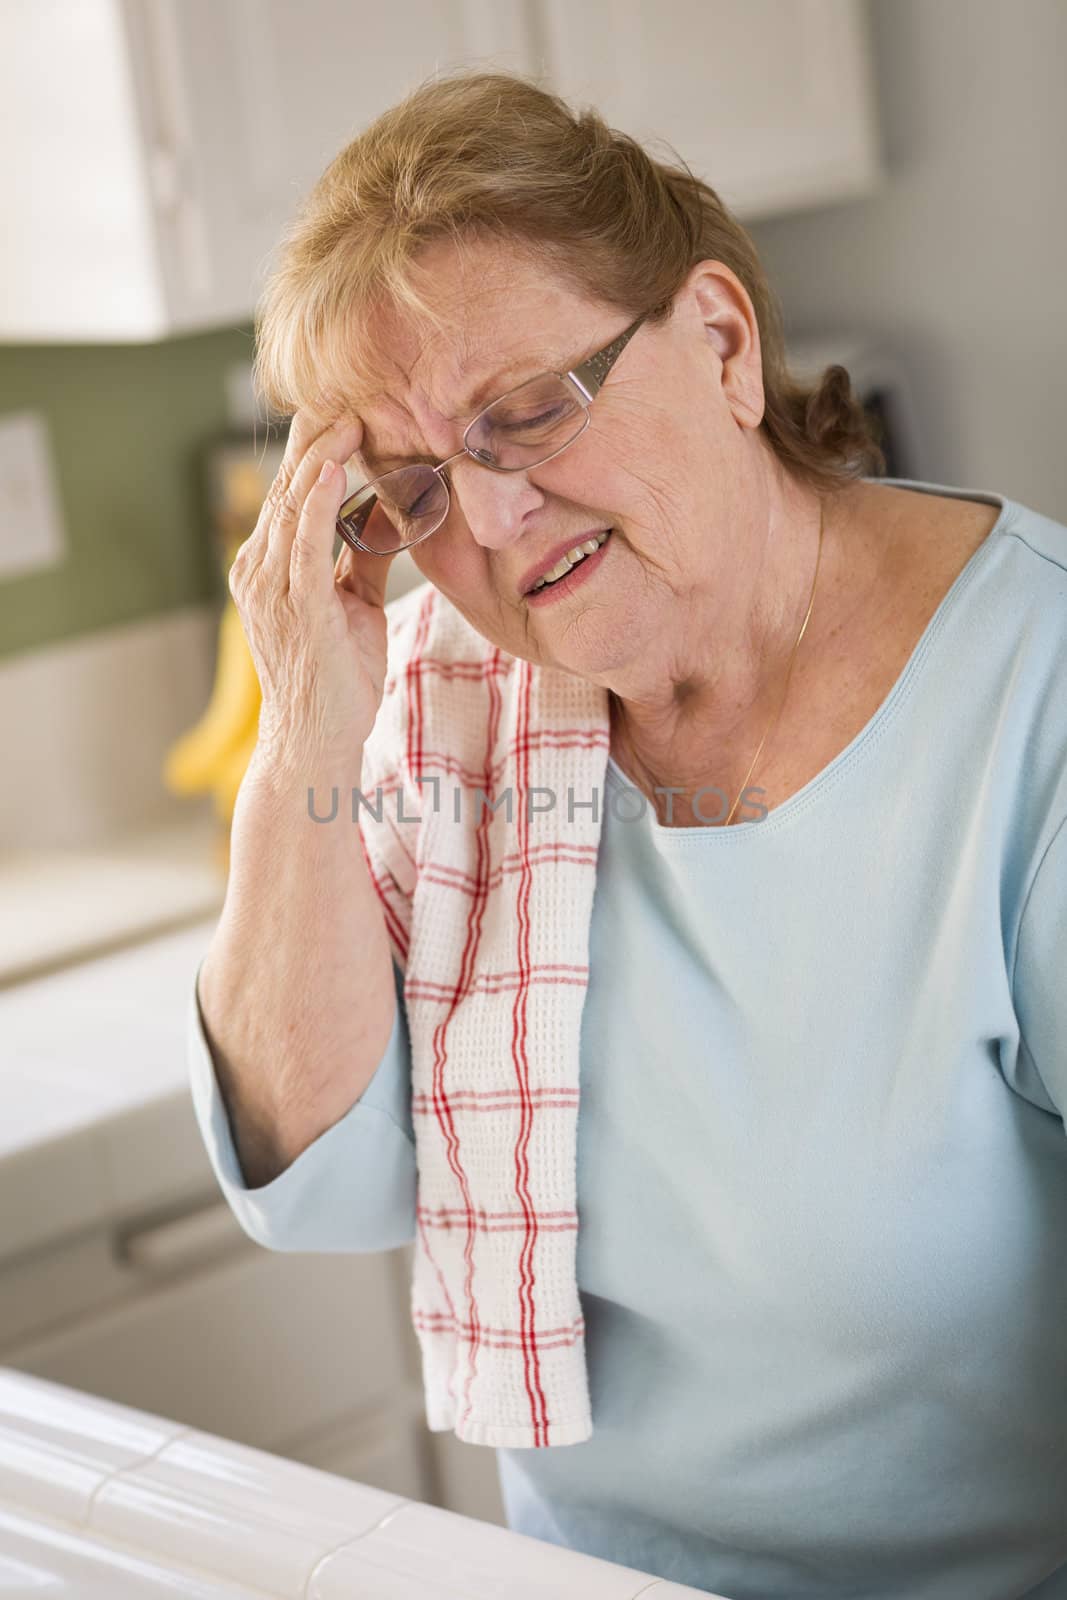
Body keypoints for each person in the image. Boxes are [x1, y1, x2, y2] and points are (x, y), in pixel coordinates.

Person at [187, 69, 1067, 1598]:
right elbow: (308, 1172)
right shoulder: (455, 703)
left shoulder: (1032, 700)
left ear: (721, 340)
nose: (493, 517)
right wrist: (306, 728)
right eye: (412, 488)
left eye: (528, 410)